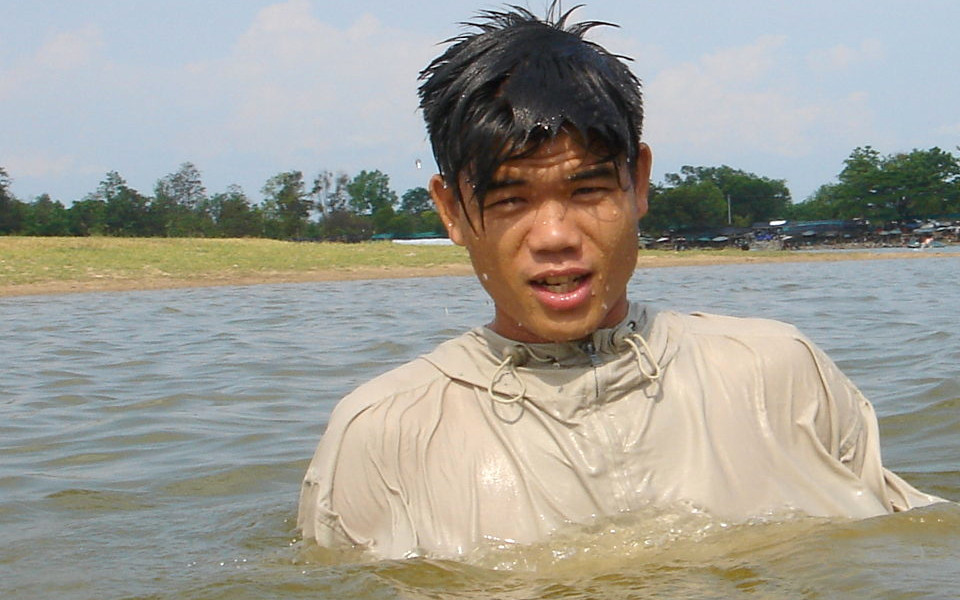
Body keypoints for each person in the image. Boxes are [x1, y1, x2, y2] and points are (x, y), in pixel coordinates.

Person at [298, 2, 944, 560]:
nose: (555, 235)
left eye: (587, 189)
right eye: (511, 200)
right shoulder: (383, 434)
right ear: (450, 210)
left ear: (638, 181)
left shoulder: (777, 374)